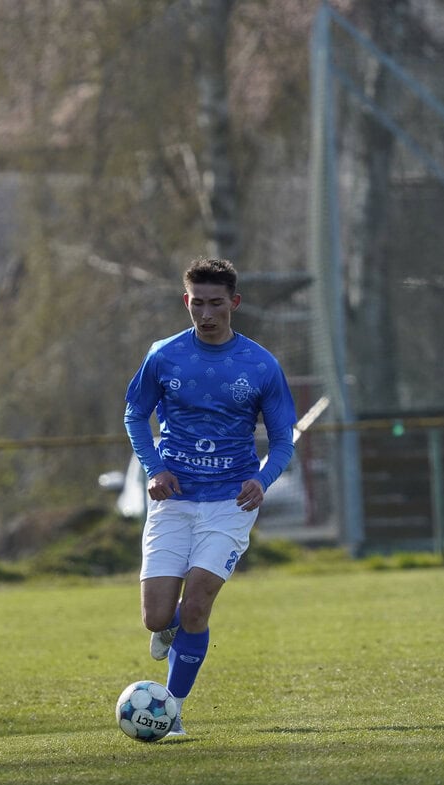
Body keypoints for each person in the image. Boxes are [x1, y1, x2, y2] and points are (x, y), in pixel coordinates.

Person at [123, 257, 296, 737]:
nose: (206, 314)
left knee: (197, 603)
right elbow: (134, 415)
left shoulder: (260, 365)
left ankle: (171, 709)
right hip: (174, 499)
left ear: (233, 303)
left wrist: (263, 478)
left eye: (216, 303)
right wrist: (154, 468)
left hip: (229, 503)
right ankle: (171, 627)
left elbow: (283, 439)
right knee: (157, 617)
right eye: (197, 303)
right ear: (186, 301)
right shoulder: (164, 355)